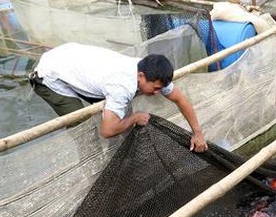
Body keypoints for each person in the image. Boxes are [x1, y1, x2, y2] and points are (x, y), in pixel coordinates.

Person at [29, 42, 207, 152]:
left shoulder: (154, 72)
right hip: (51, 75)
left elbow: (179, 99)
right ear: (141, 76)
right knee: (84, 129)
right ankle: (92, 173)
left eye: (161, 89)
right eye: (155, 88)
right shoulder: (122, 86)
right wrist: (135, 117)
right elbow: (106, 132)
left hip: (75, 60)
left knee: (121, 120)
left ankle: (123, 154)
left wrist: (197, 133)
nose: (156, 93)